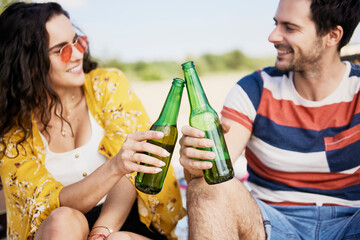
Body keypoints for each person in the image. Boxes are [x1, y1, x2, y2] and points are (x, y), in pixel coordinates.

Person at [0, 2, 185, 240]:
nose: (77, 54)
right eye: (62, 50)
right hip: (58, 230)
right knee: (62, 220)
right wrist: (115, 166)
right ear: (29, 64)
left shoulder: (107, 85)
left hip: (126, 220)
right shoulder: (13, 132)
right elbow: (45, 201)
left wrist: (101, 232)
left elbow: (132, 172)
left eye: (78, 41)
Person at [179, 0, 360, 239]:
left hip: (350, 222)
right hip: (270, 223)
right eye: (276, 24)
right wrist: (196, 163)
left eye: (290, 28)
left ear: (332, 35)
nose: (273, 36)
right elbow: (211, 173)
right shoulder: (254, 89)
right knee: (207, 187)